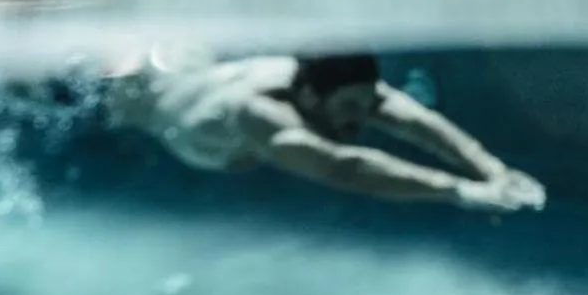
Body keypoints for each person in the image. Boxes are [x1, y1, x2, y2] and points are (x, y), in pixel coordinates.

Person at [105, 50, 545, 212]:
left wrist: (494, 171)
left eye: (368, 105)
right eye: (351, 108)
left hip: (182, 63)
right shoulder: (259, 114)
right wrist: (464, 192)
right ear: (311, 100)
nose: (363, 119)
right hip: (133, 102)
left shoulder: (332, 85)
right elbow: (344, 168)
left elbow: (420, 123)